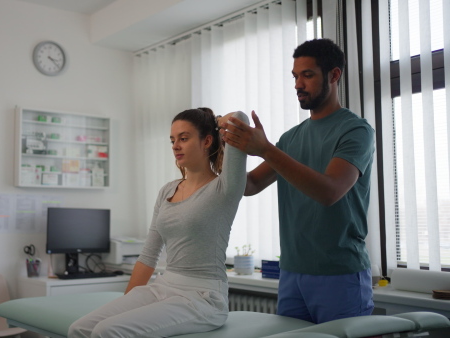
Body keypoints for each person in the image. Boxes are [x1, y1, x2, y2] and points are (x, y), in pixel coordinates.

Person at [219, 38, 375, 324]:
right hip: (291, 273)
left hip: (339, 274)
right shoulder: (290, 139)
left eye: (307, 75)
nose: (297, 84)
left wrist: (265, 149)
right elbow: (249, 186)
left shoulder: (356, 131)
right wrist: (222, 148)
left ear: (334, 75)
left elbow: (330, 191)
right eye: (295, 76)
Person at [68, 108, 249, 337]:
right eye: (173, 140)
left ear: (207, 141)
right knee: (79, 329)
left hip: (203, 297)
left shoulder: (224, 188)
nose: (175, 146)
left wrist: (217, 121)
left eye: (184, 138)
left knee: (107, 331)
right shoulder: (167, 190)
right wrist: (127, 305)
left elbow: (239, 120)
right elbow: (148, 256)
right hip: (163, 286)